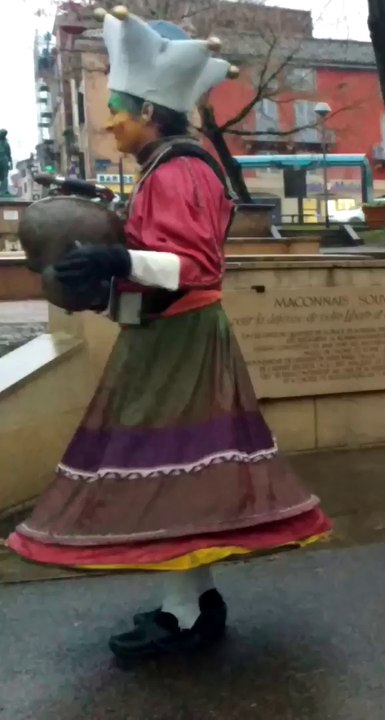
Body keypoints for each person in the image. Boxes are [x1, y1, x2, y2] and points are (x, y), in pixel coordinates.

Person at [5, 8, 331, 660]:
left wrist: (116, 259)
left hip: (179, 338)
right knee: (179, 475)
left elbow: (196, 265)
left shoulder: (180, 170)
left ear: (150, 110)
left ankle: (184, 614)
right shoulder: (168, 165)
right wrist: (108, 223)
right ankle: (190, 601)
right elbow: (162, 245)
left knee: (164, 474)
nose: (111, 121)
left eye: (119, 109)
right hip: (174, 334)